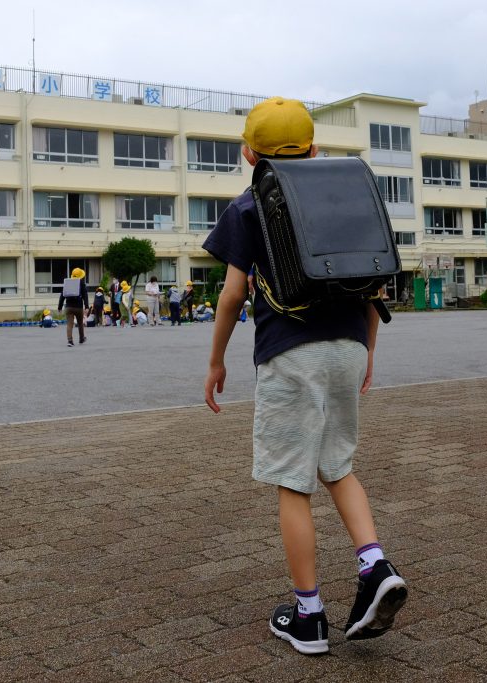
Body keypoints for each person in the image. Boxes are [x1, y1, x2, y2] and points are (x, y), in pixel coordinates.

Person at [201, 97, 406, 656]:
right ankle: (374, 567)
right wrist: (366, 350)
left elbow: (232, 295)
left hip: (290, 354)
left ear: (249, 155)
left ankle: (309, 615)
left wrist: (217, 360)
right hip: (347, 348)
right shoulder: (347, 200)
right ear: (314, 149)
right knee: (339, 465)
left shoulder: (248, 208)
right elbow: (373, 284)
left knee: (293, 482)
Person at [58, 267, 89, 347]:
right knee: (80, 323)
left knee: (69, 324)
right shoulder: (81, 283)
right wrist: (86, 306)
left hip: (69, 307)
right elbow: (85, 295)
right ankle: (81, 338)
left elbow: (62, 295)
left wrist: (59, 307)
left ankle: (70, 341)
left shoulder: (67, 283)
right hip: (78, 307)